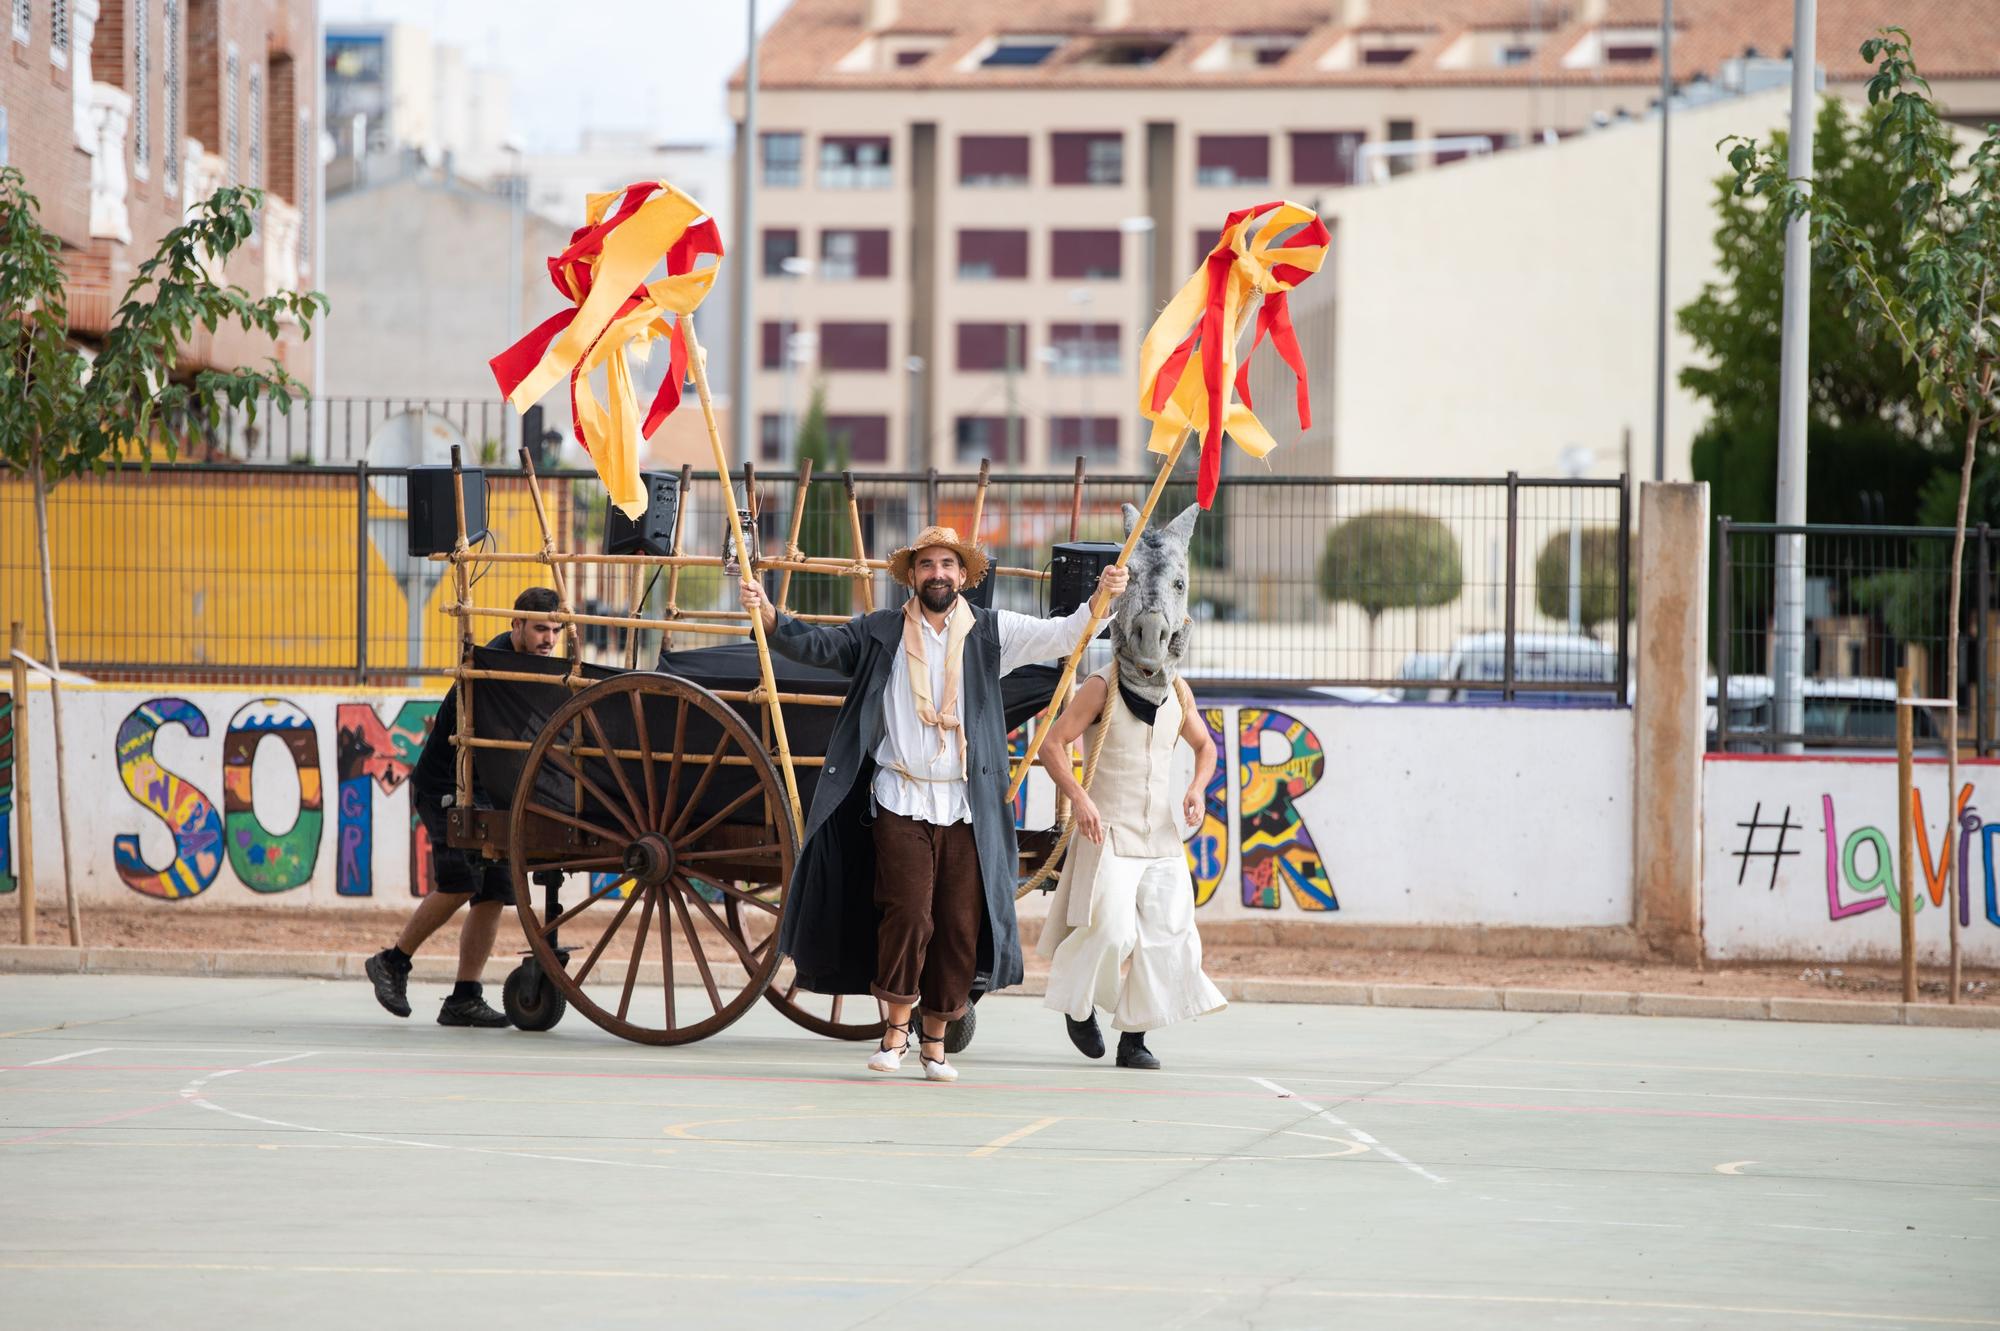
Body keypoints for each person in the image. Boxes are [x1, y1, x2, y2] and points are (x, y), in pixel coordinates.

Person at [739, 528, 1126, 1081]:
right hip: (900, 796)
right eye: (927, 565)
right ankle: (896, 1031)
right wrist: (770, 616)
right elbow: (819, 647)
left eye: (947, 564)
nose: (938, 573)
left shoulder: (993, 633)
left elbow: (1065, 635)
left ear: (963, 576)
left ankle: (936, 1043)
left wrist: (1102, 599)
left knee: (958, 923)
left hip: (968, 806)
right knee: (907, 911)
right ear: (913, 575)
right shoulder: (880, 632)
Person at [364, 586, 563, 1027]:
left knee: (493, 892)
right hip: (447, 786)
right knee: (460, 882)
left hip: (488, 788)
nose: (548, 639)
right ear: (516, 626)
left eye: (554, 630)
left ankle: (464, 998)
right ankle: (392, 962)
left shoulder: (536, 666)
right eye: (539, 629)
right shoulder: (492, 665)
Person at [1035, 617, 1225, 1071]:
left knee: (1169, 937)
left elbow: (1206, 747)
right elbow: (1051, 744)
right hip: (1109, 832)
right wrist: (1079, 798)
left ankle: (1134, 1039)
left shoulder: (1179, 690)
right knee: (1111, 931)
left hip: (1161, 837)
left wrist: (1197, 788)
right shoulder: (1102, 685)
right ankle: (1077, 1006)